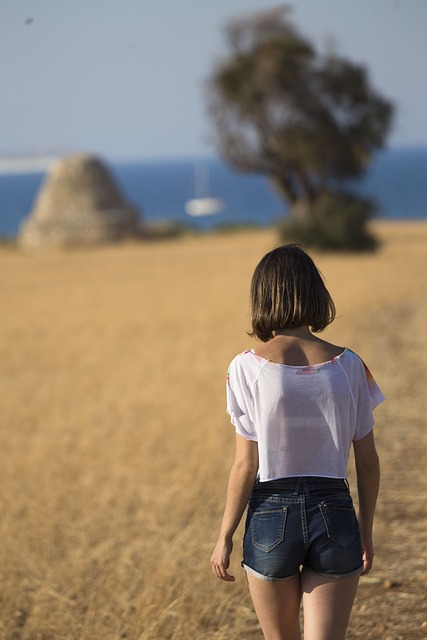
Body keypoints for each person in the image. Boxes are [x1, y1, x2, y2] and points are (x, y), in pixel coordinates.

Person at [211, 244, 383, 640]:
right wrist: (366, 532)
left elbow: (245, 465)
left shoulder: (245, 367)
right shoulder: (351, 365)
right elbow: (368, 462)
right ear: (314, 292)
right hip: (335, 511)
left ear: (263, 295)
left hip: (270, 515)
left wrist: (225, 537)